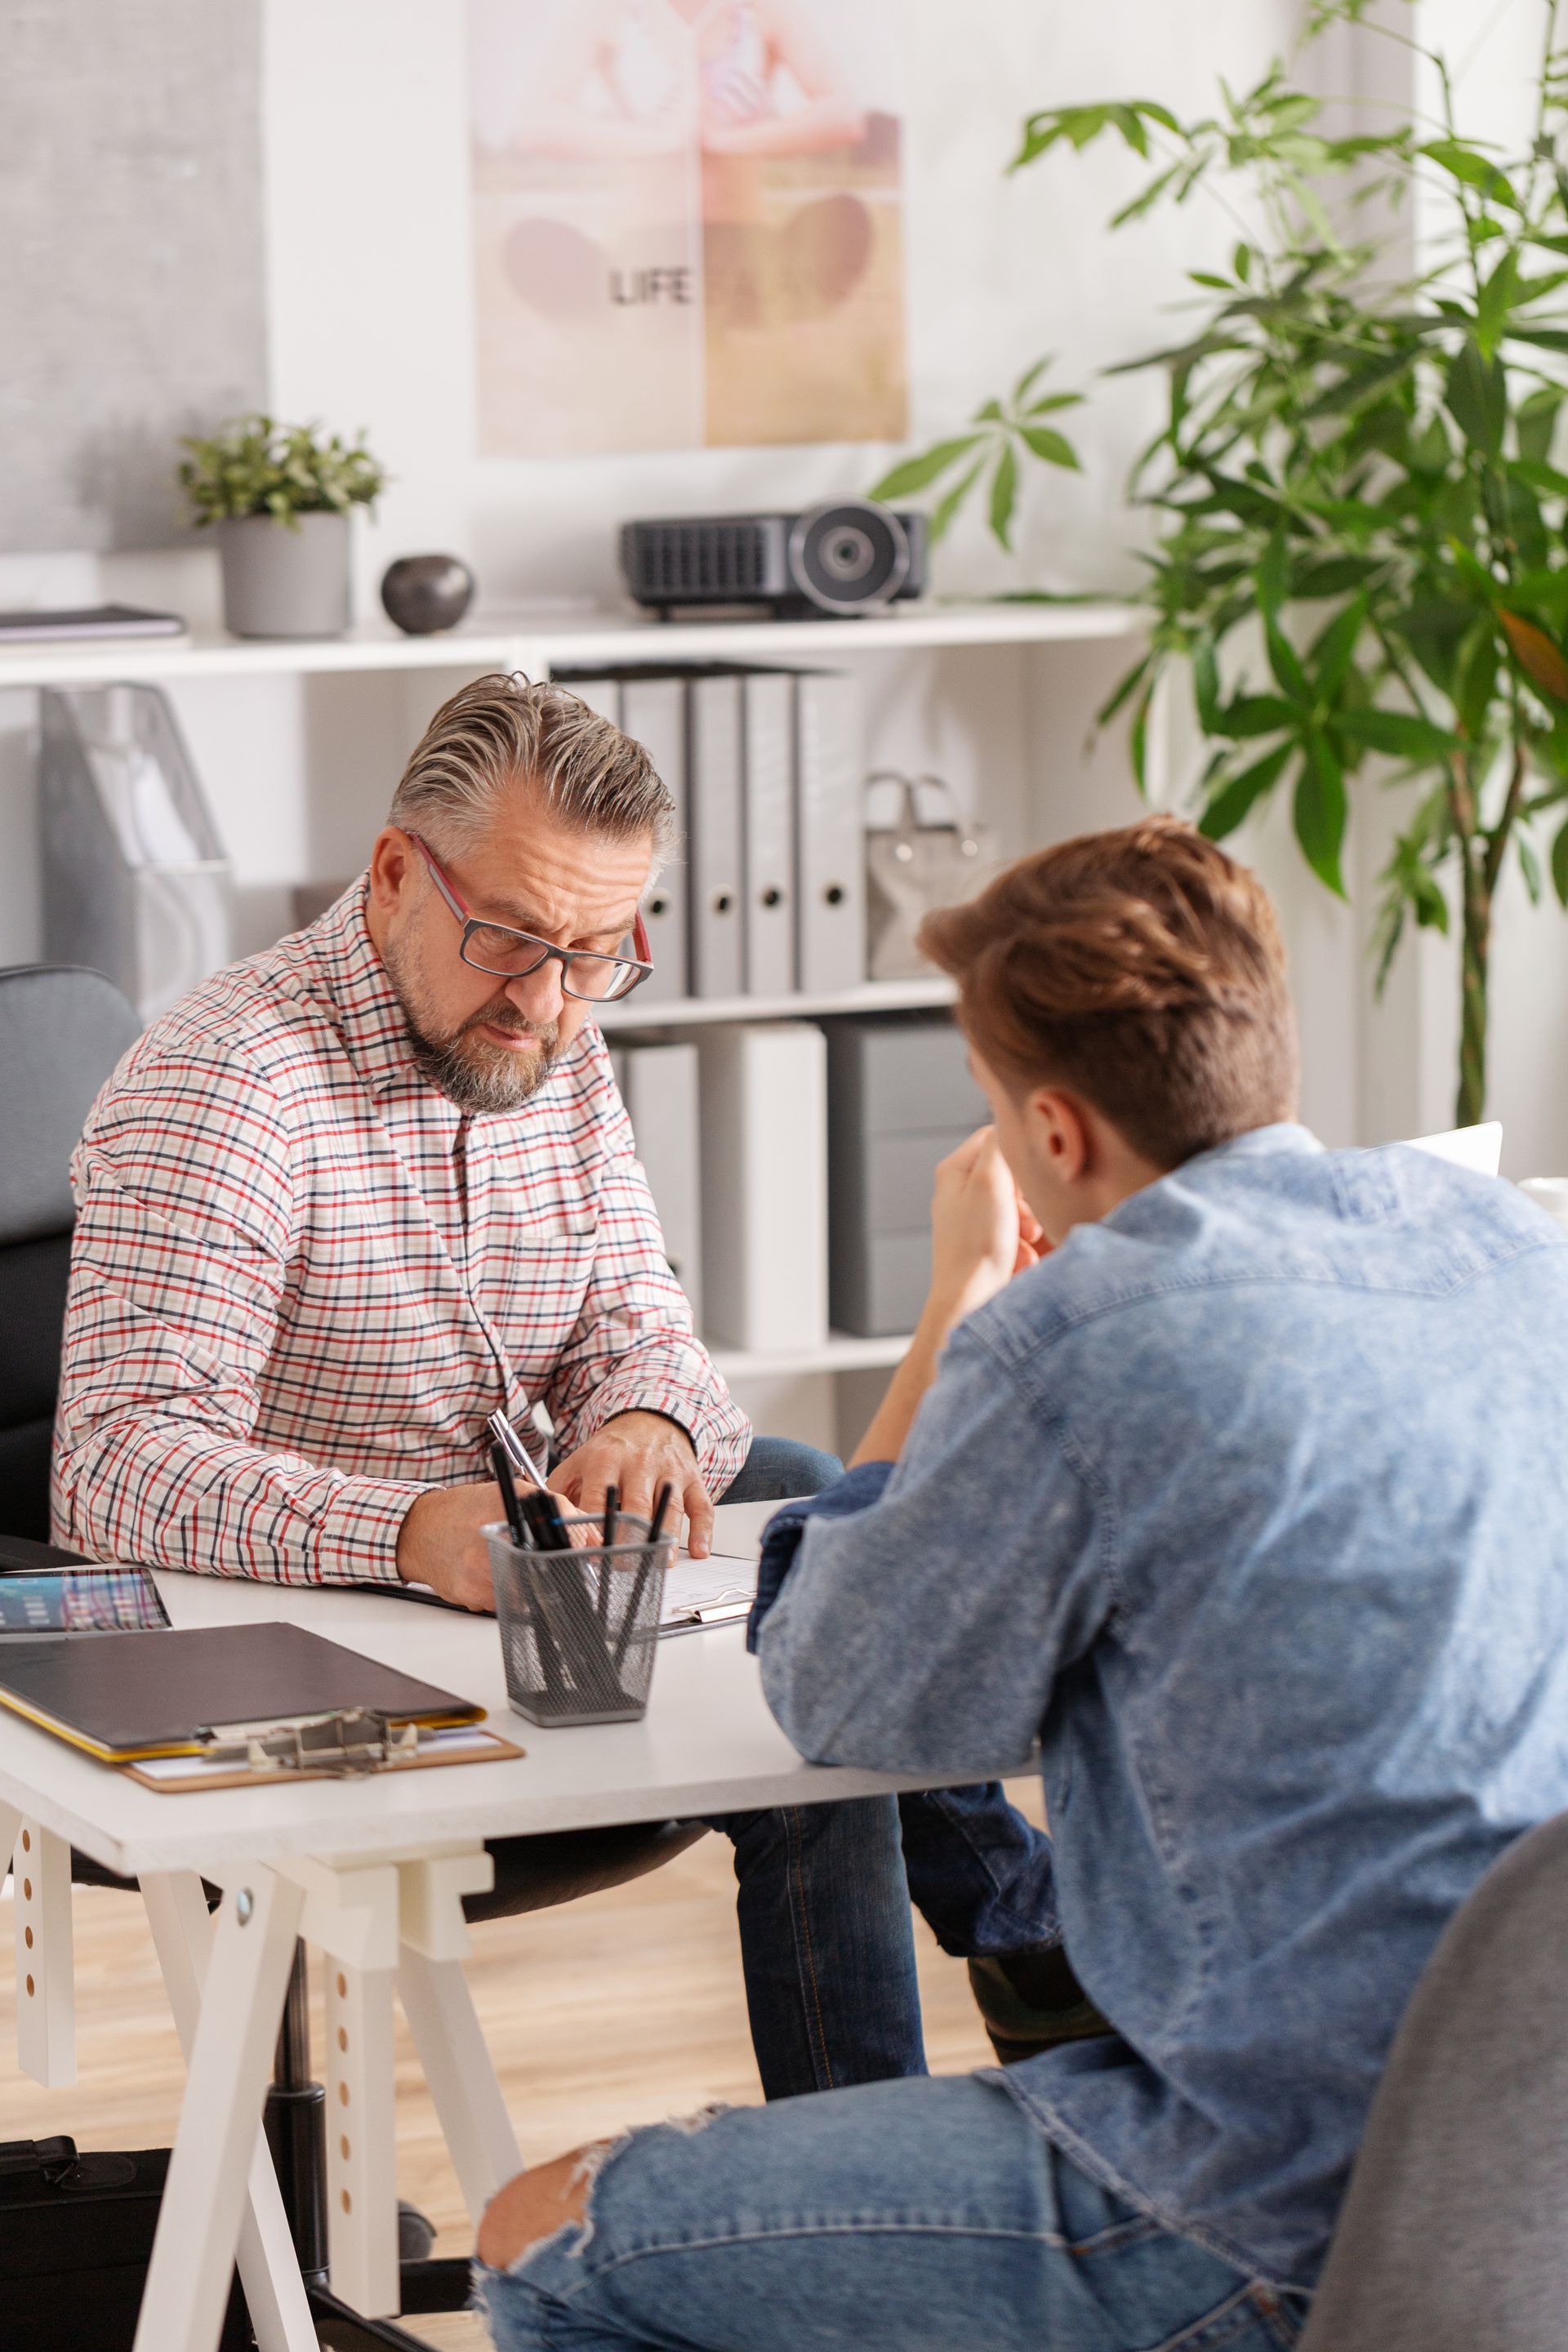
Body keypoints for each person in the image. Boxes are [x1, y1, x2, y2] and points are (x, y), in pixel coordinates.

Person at [475, 814, 1568, 2352]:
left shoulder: (1086, 1336)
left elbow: (846, 1700)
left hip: (1256, 2195)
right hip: (1527, 2195)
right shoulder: (1508, 1249)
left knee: (548, 2239)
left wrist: (956, 1307)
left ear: (1052, 1137)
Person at [52, 670, 1062, 2102]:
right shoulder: (231, 1084)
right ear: (397, 871)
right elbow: (114, 1463)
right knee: (805, 1679)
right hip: (306, 1634)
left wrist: (646, 1424)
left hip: (528, 1591)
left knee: (808, 1508)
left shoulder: (553, 1030)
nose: (548, 1000)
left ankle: (928, 2055)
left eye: (597, 952)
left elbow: (643, 1321)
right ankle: (1022, 1948)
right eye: (514, 940)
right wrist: (414, 1531)